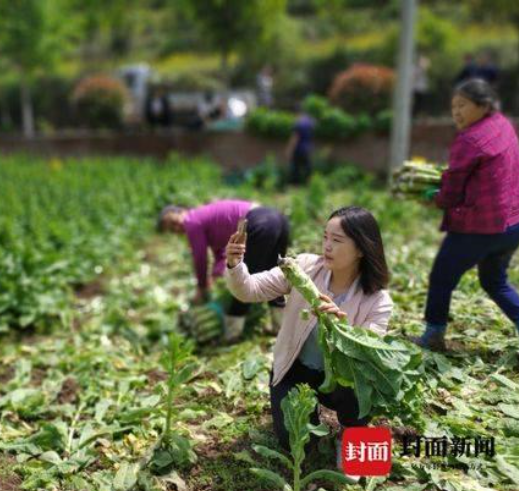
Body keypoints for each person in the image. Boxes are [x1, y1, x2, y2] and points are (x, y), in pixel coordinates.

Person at [224, 206, 393, 479]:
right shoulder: (303, 267)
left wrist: (340, 326)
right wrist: (235, 265)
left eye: (337, 241)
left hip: (341, 377)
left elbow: (369, 355)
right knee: (297, 444)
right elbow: (249, 290)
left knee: (364, 387)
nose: (327, 246)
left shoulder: (378, 300)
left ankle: (353, 433)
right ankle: (308, 414)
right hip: (296, 368)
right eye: (325, 237)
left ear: (361, 248)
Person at [412, 79, 519, 352]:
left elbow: (452, 189)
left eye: (462, 105)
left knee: (441, 277)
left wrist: (434, 198)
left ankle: (434, 335)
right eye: (452, 107)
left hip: (480, 227)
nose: (456, 112)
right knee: (494, 281)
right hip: (512, 224)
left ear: (483, 105)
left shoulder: (468, 139)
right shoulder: (503, 126)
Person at [158, 200, 290, 341]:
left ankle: (232, 335)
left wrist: (202, 288)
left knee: (243, 283)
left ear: (182, 211)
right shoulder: (204, 218)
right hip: (278, 219)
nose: (176, 228)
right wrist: (216, 273)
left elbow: (200, 257)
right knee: (272, 273)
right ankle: (280, 326)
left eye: (173, 222)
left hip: (259, 222)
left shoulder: (191, 221)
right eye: (172, 229)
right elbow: (221, 252)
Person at [284, 111, 315, 185]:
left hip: (298, 150)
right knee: (308, 169)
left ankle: (294, 188)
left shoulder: (298, 124)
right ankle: (311, 186)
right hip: (307, 149)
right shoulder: (310, 122)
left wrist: (289, 150)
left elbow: (295, 138)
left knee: (295, 170)